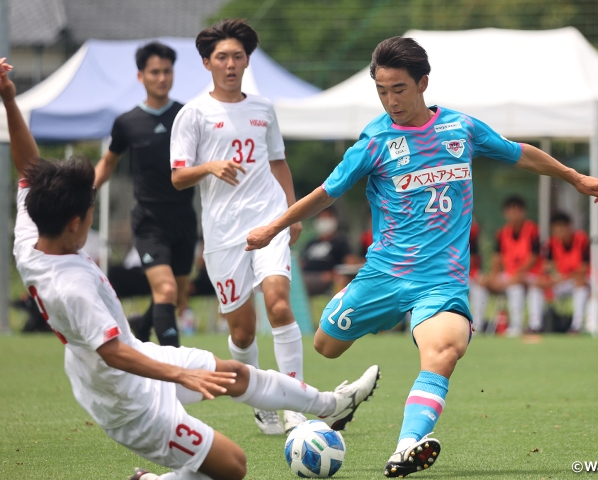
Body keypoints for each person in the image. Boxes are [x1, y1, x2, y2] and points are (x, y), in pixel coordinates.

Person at [1, 57, 380, 480]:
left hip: (137, 358)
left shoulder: (33, 233)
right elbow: (113, 353)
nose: (92, 218)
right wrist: (180, 374)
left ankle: (332, 405)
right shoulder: (70, 285)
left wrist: (8, 100)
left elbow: (28, 167)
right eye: (90, 213)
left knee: (234, 373)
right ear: (75, 223)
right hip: (124, 399)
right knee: (233, 467)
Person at [245, 37, 598, 477]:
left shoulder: (461, 129)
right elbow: (325, 194)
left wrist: (574, 177)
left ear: (423, 83)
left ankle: (406, 447)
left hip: (442, 279)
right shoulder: (374, 143)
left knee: (444, 352)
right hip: (383, 275)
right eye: (381, 90)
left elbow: (520, 154)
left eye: (398, 89)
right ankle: (347, 396)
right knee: (325, 346)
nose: (390, 100)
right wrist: (273, 228)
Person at [170, 19, 306, 435]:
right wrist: (209, 166)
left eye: (238, 56)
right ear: (207, 63)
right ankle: (260, 398)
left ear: (247, 61)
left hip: (268, 218)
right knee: (243, 333)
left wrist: (291, 212)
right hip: (223, 233)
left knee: (279, 304)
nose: (231, 64)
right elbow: (177, 177)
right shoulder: (193, 113)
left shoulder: (264, 108)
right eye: (222, 57)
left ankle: (296, 403)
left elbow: (278, 161)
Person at [94, 42, 195, 348]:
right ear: (141, 76)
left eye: (167, 71)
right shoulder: (127, 122)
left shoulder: (187, 115)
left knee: (175, 296)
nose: (162, 78)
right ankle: (173, 367)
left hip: (185, 219)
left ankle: (142, 326)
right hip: (150, 221)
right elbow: (108, 162)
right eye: (155, 72)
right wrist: (85, 194)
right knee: (164, 291)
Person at [488, 196, 545, 335]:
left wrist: (518, 274)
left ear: (523, 212)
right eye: (510, 211)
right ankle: (478, 325)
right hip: (511, 275)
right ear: (505, 213)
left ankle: (533, 326)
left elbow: (533, 257)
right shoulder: (502, 233)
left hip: (531, 274)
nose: (514, 214)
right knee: (483, 285)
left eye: (517, 211)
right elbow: (497, 257)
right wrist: (494, 276)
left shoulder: (532, 229)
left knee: (523, 288)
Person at [542, 212, 589, 333]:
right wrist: (549, 277)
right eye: (556, 230)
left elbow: (583, 269)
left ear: (569, 227)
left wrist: (562, 279)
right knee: (538, 285)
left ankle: (576, 326)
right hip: (562, 281)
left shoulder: (581, 239)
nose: (559, 232)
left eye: (562, 228)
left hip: (583, 280)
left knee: (580, 284)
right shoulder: (552, 243)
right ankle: (536, 325)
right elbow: (548, 267)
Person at [301, 206, 356, 296]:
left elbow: (350, 264)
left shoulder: (340, 242)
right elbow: (302, 262)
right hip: (306, 276)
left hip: (327, 279)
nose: (324, 221)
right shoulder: (311, 243)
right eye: (321, 218)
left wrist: (332, 275)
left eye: (327, 217)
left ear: (334, 220)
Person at [468, 219, 490, 332]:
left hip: (468, 273)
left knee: (479, 288)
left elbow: (473, 258)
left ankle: (477, 327)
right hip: (446, 273)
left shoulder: (470, 229)